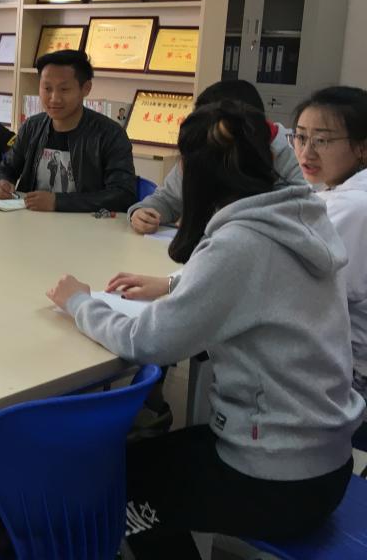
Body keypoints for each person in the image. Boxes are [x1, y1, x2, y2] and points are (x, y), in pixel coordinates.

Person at [46, 100, 363, 559]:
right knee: (142, 458)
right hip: (323, 459)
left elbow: (147, 341)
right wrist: (178, 284)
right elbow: (256, 279)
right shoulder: (300, 211)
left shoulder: (238, 244)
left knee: (113, 487)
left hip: (276, 479)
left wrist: (79, 302)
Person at [129, 79, 304, 234]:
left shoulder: (298, 156)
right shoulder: (205, 147)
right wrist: (141, 213)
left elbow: (295, 218)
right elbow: (169, 198)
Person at [292, 86, 367, 405]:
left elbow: (283, 281)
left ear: (362, 147)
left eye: (321, 140)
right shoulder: (336, 191)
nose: (306, 153)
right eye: (300, 137)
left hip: (352, 375)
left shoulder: (352, 206)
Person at [0, 50, 135, 212]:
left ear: (86, 88)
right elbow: (5, 169)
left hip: (86, 224)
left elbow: (123, 195)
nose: (54, 98)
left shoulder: (110, 134)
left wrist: (58, 202)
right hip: (30, 219)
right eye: (47, 88)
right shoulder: (32, 127)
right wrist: (1, 183)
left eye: (64, 89)